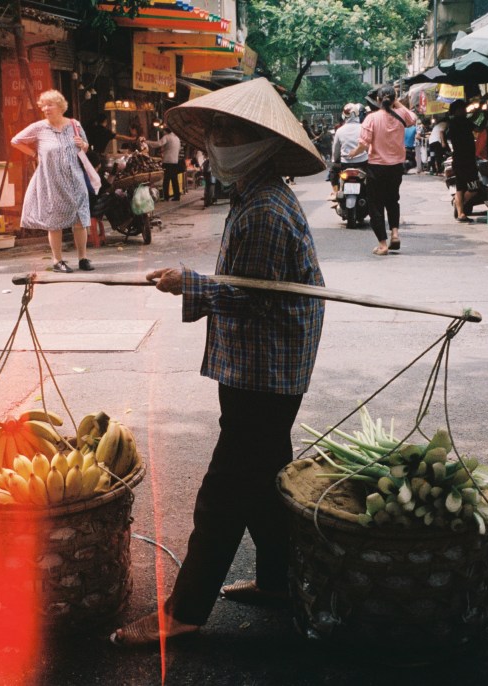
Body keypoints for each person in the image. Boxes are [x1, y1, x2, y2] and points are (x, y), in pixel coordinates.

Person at [108, 77, 325, 648]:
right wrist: (193, 282)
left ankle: (185, 610)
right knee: (266, 477)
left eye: (233, 131)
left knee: (225, 490)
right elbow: (249, 287)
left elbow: (254, 296)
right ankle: (281, 582)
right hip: (263, 363)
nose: (220, 140)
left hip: (266, 368)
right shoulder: (256, 196)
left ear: (261, 142)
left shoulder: (264, 211)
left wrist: (190, 284)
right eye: (218, 130)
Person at [11, 89, 96, 273]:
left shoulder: (74, 124)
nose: (46, 109)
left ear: (61, 107)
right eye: (44, 106)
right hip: (52, 181)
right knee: (54, 221)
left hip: (76, 179)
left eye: (50, 105)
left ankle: (83, 258)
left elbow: (85, 147)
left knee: (81, 219)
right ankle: (58, 261)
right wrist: (34, 154)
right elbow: (16, 141)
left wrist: (83, 145)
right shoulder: (39, 128)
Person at [349, 85, 416, 255]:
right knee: (392, 201)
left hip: (376, 168)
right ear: (394, 99)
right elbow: (413, 119)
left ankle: (383, 245)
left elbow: (363, 145)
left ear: (378, 100)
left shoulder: (371, 118)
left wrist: (353, 153)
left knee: (376, 206)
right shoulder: (401, 114)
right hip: (396, 168)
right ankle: (394, 233)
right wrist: (397, 103)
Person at [445, 99, 477, 223]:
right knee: (474, 188)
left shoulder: (453, 123)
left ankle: (460, 213)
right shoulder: (462, 122)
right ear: (457, 110)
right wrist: (482, 113)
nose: (464, 111)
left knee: (460, 187)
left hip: (458, 159)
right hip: (466, 160)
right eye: (462, 109)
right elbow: (477, 127)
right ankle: (459, 205)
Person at [330, 103, 368, 203]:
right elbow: (368, 146)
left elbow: (336, 150)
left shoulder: (339, 130)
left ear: (344, 115)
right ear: (357, 114)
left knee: (333, 172)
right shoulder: (363, 128)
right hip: (362, 163)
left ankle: (335, 192)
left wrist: (335, 161)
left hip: (345, 164)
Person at [145, 125, 182, 201]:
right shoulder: (177, 138)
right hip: (175, 161)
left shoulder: (167, 137)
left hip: (167, 161)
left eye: (163, 131)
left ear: (166, 131)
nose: (163, 133)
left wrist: (147, 142)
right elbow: (178, 149)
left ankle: (166, 197)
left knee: (166, 180)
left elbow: (158, 144)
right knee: (174, 179)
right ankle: (177, 196)